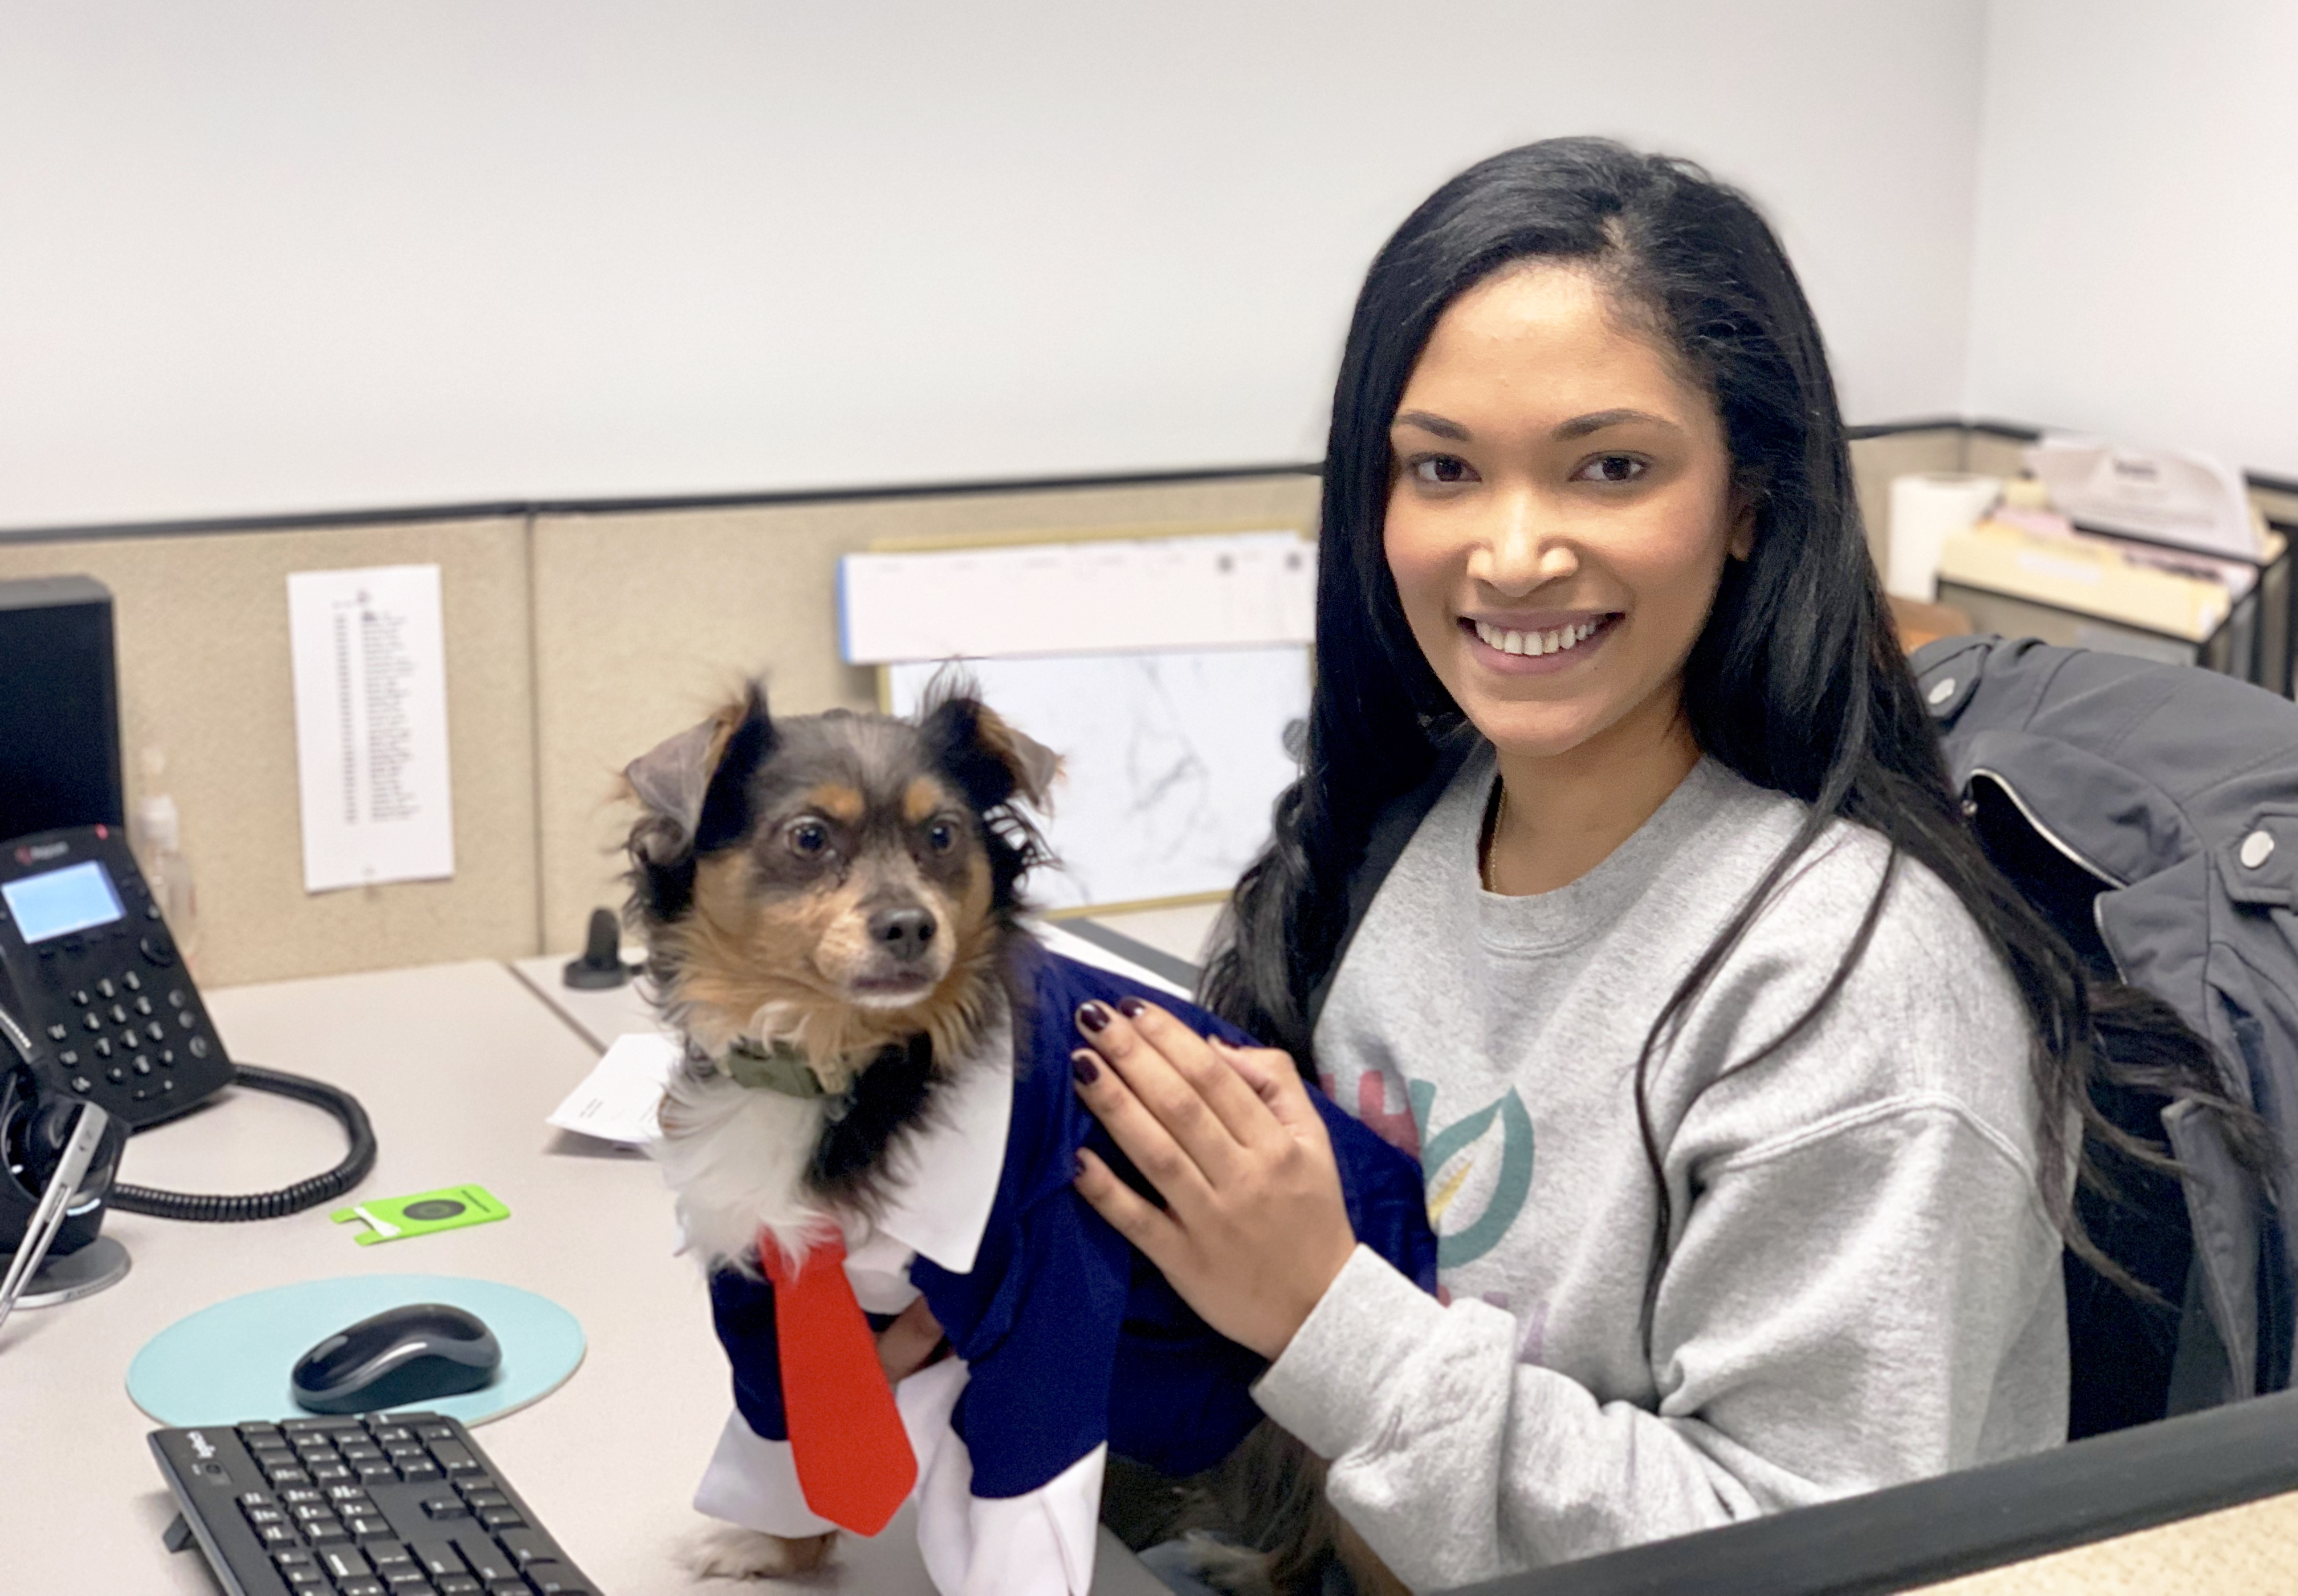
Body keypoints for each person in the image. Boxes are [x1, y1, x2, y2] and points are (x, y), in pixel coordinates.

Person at [1060, 137, 2241, 1592]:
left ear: (1749, 498)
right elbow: (1258, 1367)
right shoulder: (1391, 838)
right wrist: (984, 1280)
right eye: (1442, 469)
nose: (1510, 553)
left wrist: (1325, 1313)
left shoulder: (1851, 991)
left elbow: (1805, 1553)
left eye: (1609, 467)